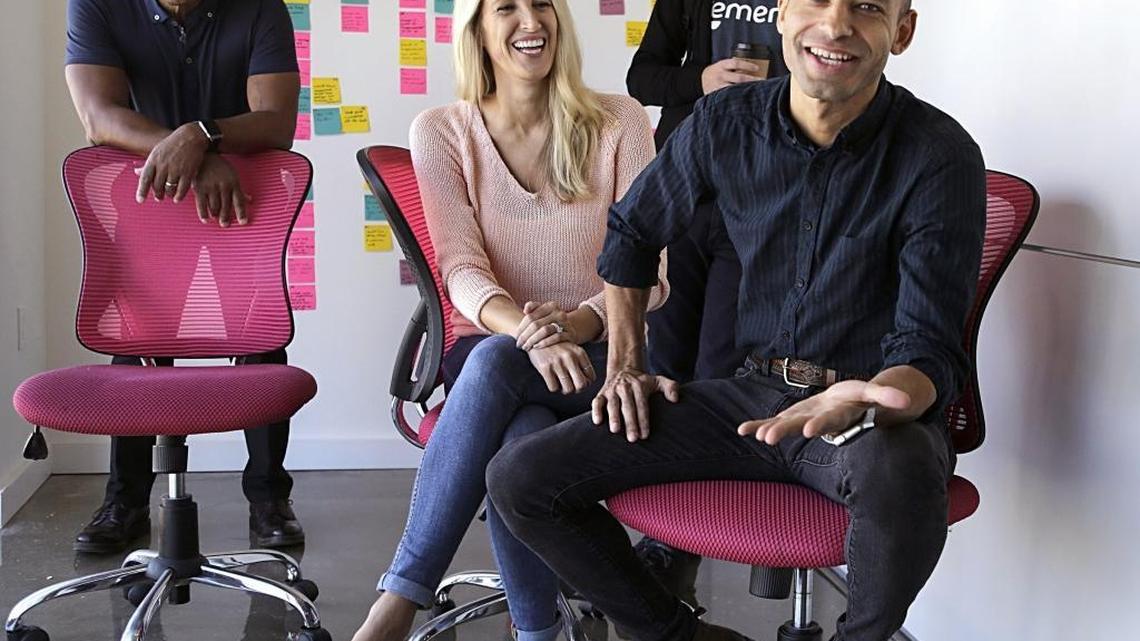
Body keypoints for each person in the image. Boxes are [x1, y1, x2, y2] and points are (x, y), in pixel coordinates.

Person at [488, 1, 986, 640]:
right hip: (747, 397)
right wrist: (626, 366)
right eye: (815, 2)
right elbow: (632, 234)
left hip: (866, 421)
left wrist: (879, 400)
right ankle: (675, 634)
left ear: (903, 30)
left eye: (866, 6)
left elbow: (928, 349)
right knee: (522, 478)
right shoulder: (725, 121)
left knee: (902, 472)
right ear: (781, 15)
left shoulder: (938, 155)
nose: (834, 26)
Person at [350, 2, 666, 641]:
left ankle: (401, 596)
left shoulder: (621, 122)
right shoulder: (441, 131)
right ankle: (537, 633)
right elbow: (459, 269)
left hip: (601, 357)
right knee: (516, 434)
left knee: (503, 370)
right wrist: (527, 333)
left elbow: (651, 272)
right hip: (492, 353)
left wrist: (575, 325)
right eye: (507, 7)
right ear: (477, 31)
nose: (531, 20)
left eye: (543, 4)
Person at [63, 0, 304, 553]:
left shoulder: (260, 6)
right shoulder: (97, 5)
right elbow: (98, 117)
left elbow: (277, 121)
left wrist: (202, 135)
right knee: (136, 344)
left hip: (239, 200)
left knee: (259, 339)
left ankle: (269, 497)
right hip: (148, 195)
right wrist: (193, 151)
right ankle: (124, 502)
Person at [625, 0, 788, 606]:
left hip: (763, 198)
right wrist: (702, 80)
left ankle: (684, 545)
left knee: (719, 368)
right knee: (665, 364)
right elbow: (642, 77)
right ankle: (661, 534)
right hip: (683, 192)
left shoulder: (810, 10)